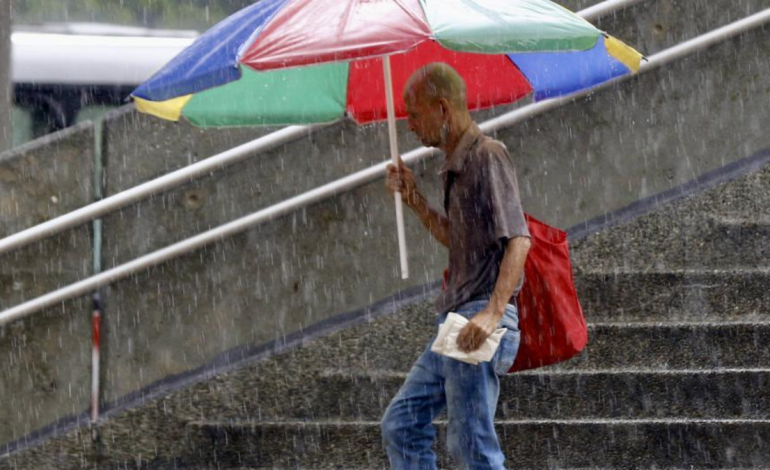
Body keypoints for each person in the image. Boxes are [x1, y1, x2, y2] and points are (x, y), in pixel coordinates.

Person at [381, 62, 532, 469]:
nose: (409, 125)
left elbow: (519, 239)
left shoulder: (487, 155)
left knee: (472, 447)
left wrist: (493, 313)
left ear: (443, 108)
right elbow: (458, 240)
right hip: (458, 320)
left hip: (477, 318)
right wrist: (414, 199)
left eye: (414, 113)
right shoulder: (455, 165)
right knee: (401, 424)